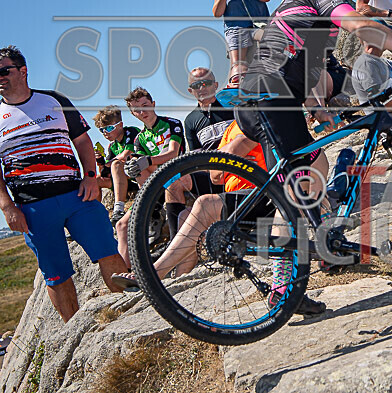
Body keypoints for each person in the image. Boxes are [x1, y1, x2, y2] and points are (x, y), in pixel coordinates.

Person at [234, 0, 392, 240]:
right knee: (307, 178)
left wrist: (317, 107)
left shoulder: (295, 3)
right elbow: (362, 26)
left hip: (255, 99)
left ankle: (310, 253)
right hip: (272, 99)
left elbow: (308, 62)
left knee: (298, 182)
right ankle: (283, 279)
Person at [111, 120, 326, 315]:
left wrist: (237, 153)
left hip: (272, 189)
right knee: (203, 205)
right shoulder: (232, 129)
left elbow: (309, 158)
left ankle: (284, 288)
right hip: (244, 196)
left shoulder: (262, 122)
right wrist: (238, 151)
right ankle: (154, 274)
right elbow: (215, 176)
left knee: (287, 199)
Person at [0, 45, 127, 322]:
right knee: (56, 273)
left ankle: (130, 312)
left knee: (108, 252)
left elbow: (82, 140)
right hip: (32, 208)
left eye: (4, 71)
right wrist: (7, 206)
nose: (0, 77)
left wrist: (91, 177)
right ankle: (73, 329)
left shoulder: (54, 100)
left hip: (76, 196)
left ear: (23, 71)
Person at [114, 87, 192, 267]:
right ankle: (127, 274)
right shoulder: (139, 139)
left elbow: (173, 154)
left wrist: (148, 161)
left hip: (178, 176)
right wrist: (132, 169)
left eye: (145, 106)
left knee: (150, 166)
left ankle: (173, 246)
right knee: (121, 226)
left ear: (153, 104)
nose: (143, 112)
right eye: (137, 110)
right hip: (152, 186)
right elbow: (141, 168)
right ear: (133, 114)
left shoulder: (172, 123)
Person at [212, 0, 270, 88]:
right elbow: (217, 13)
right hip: (236, 29)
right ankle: (235, 87)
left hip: (259, 27)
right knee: (238, 64)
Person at [93, 106, 140, 223]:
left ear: (120, 125)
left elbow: (127, 154)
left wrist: (109, 162)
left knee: (116, 164)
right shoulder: (112, 146)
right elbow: (104, 172)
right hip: (124, 182)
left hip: (139, 175)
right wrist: (100, 162)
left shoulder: (131, 132)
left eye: (108, 128)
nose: (105, 133)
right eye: (101, 130)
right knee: (96, 180)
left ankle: (118, 209)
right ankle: (94, 214)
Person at [183, 67, 235, 151]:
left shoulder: (232, 107)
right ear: (190, 90)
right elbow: (195, 157)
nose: (201, 88)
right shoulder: (190, 121)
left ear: (215, 85)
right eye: (196, 85)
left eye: (206, 83)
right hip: (212, 163)